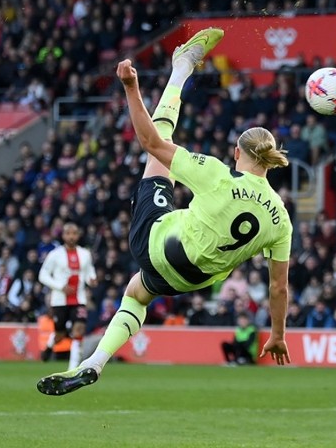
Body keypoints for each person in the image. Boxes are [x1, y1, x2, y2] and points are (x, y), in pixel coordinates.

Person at [37, 28, 292, 396]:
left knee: (160, 149)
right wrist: (278, 335)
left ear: (238, 153)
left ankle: (181, 69)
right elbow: (278, 286)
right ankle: (93, 362)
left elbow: (149, 142)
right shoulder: (281, 219)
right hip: (190, 281)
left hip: (157, 244)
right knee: (137, 293)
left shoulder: (218, 175)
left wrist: (129, 87)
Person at [38, 222, 97, 370]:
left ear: (78, 235)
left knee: (79, 330)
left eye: (74, 233)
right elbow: (42, 275)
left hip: (79, 299)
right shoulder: (55, 255)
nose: (71, 236)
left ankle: (72, 369)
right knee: (60, 334)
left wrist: (92, 279)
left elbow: (90, 271)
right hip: (59, 300)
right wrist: (60, 286)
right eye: (68, 233)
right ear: (63, 235)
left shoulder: (85, 254)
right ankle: (50, 345)